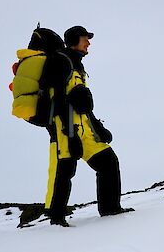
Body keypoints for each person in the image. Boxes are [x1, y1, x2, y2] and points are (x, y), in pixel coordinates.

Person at [44, 26, 134, 227]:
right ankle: (56, 219)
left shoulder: (76, 65)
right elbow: (57, 100)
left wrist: (97, 127)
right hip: (64, 128)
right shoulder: (60, 61)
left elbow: (80, 103)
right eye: (86, 38)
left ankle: (110, 209)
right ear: (76, 39)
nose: (89, 43)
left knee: (108, 162)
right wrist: (69, 133)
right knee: (64, 170)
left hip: (85, 128)